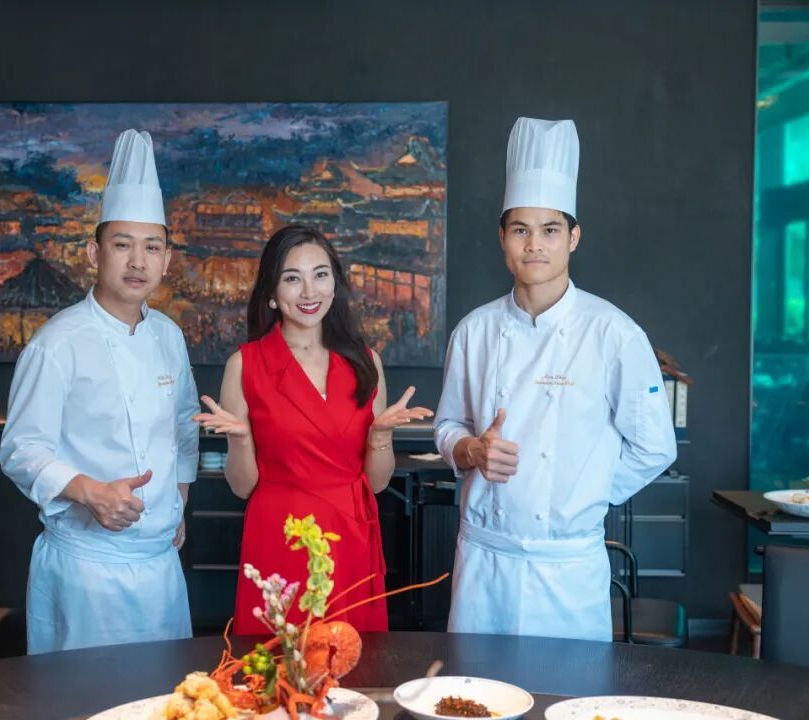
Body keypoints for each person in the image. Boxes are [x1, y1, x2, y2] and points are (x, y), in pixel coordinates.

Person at [433, 117, 677, 641]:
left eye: (550, 230)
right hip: (484, 562)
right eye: (521, 230)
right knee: (473, 687)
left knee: (569, 687)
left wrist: (583, 492)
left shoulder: (614, 334)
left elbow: (655, 446)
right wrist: (471, 450)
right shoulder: (474, 332)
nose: (534, 245)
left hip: (568, 569)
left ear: (573, 237)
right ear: (503, 238)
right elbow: (447, 425)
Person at [0, 129, 199, 653]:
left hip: (160, 567)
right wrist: (90, 492)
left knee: (167, 692)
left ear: (166, 260)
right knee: (83, 694)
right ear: (94, 252)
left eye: (151, 247)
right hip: (86, 570)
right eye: (122, 245)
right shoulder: (57, 343)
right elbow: (21, 450)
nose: (138, 261)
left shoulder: (169, 337)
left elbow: (183, 428)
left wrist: (176, 505)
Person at [194, 225, 432, 634]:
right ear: (272, 292)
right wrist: (241, 439)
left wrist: (380, 437)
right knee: (282, 659)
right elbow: (241, 486)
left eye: (320, 275)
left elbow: (376, 483)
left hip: (350, 536)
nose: (309, 292)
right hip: (281, 536)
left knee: (354, 661)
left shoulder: (365, 361)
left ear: (335, 284)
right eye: (292, 278)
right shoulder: (246, 365)